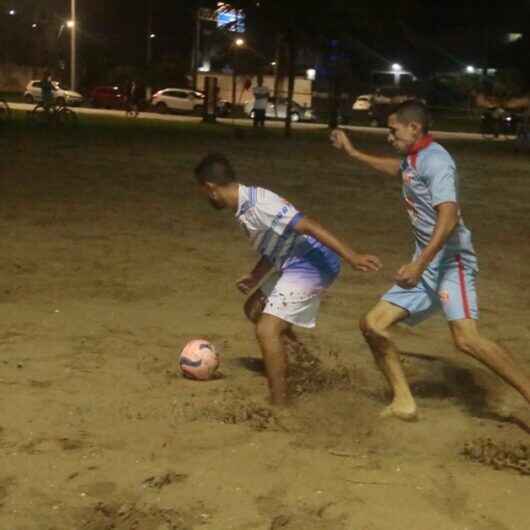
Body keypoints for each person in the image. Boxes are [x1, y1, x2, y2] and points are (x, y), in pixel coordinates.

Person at [330, 100, 530, 421]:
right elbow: (399, 171)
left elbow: (448, 219)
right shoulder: (413, 157)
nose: (389, 136)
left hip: (451, 263)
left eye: (393, 130)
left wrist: (419, 265)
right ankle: (404, 401)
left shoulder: (437, 162)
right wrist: (352, 153)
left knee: (466, 340)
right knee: (372, 325)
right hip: (425, 264)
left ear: (414, 128)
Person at [194, 153, 381, 405]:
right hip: (293, 261)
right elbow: (276, 244)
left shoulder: (260, 203)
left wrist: (352, 256)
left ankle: (280, 405)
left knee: (267, 330)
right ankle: (306, 364)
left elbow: (308, 226)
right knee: (254, 309)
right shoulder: (243, 207)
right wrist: (255, 275)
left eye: (203, 192)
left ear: (211, 188)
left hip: (312, 262)